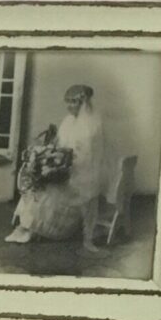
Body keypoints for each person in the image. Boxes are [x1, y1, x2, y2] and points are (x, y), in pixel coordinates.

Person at [57, 82, 109, 243]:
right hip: (69, 164)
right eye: (68, 102)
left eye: (74, 102)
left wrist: (72, 159)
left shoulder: (92, 123)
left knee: (84, 191)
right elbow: (61, 144)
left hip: (86, 167)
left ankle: (85, 233)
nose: (69, 106)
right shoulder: (68, 121)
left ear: (83, 103)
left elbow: (90, 152)